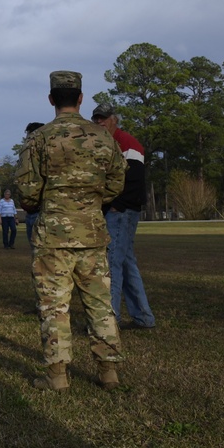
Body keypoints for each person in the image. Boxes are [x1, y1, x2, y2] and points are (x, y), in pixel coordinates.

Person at [15, 71, 127, 391]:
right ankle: (108, 372)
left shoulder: (38, 139)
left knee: (54, 307)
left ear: (51, 99)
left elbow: (27, 189)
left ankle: (58, 376)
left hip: (52, 235)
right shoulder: (104, 137)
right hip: (92, 232)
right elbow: (117, 181)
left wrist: (44, 204)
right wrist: (91, 203)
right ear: (80, 98)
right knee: (100, 305)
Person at [91, 102, 155, 331]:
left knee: (112, 264)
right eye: (96, 118)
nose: (99, 122)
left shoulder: (127, 143)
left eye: (103, 118)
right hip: (116, 210)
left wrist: (117, 205)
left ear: (114, 119)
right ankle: (143, 317)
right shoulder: (102, 143)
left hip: (121, 212)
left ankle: (110, 320)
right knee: (126, 263)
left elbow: (136, 181)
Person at [22, 122, 44, 246]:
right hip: (31, 211)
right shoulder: (27, 157)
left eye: (29, 135)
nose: (27, 138)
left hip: (42, 212)